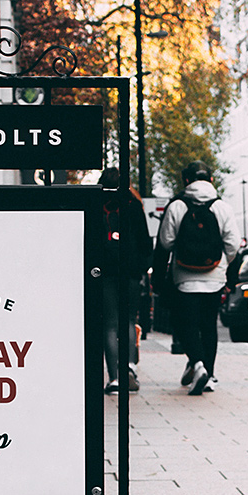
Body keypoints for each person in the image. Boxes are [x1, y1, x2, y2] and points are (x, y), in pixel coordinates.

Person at [156, 161, 239, 395]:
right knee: (209, 325)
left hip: (184, 276)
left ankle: (198, 364)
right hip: (215, 276)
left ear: (185, 181)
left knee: (187, 324)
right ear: (211, 180)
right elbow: (233, 244)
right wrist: (222, 263)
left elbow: (165, 242)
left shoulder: (177, 206)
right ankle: (209, 374)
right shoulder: (222, 207)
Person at [100, 167, 151, 393]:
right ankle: (129, 367)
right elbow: (145, 242)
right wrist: (140, 268)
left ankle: (114, 377)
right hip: (130, 273)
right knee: (128, 321)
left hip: (105, 272)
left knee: (110, 324)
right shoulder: (133, 205)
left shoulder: (98, 206)